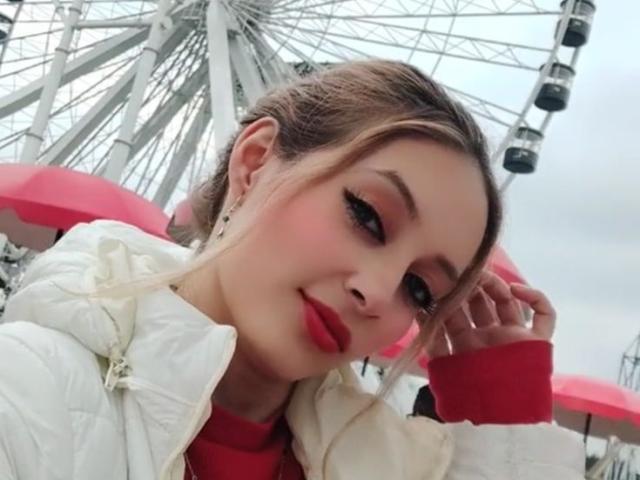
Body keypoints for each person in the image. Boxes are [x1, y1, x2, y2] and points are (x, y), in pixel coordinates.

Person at [0, 60, 585, 480]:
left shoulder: (390, 464)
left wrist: (502, 417)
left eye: (419, 289)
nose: (377, 292)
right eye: (367, 216)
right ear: (254, 163)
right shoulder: (28, 396)